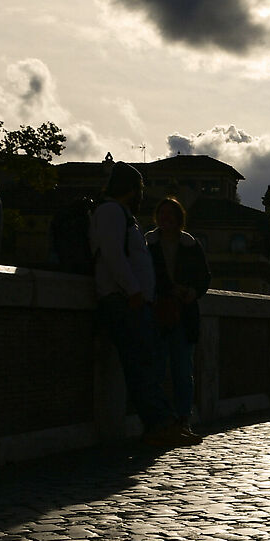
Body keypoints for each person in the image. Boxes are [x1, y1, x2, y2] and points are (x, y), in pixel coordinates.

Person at [89, 164, 179, 448]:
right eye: (140, 188)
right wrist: (134, 290)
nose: (142, 194)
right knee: (141, 366)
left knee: (147, 365)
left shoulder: (122, 214)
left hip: (132, 300)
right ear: (131, 188)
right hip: (124, 300)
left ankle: (163, 422)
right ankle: (157, 425)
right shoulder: (110, 212)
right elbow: (113, 256)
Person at [145, 195, 213, 443]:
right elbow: (146, 276)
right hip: (158, 313)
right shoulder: (149, 244)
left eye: (170, 216)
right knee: (158, 370)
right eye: (162, 215)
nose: (165, 220)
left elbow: (204, 277)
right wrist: (169, 289)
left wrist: (192, 291)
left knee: (183, 371)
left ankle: (183, 420)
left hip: (184, 316)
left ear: (178, 219)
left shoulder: (190, 245)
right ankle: (162, 422)